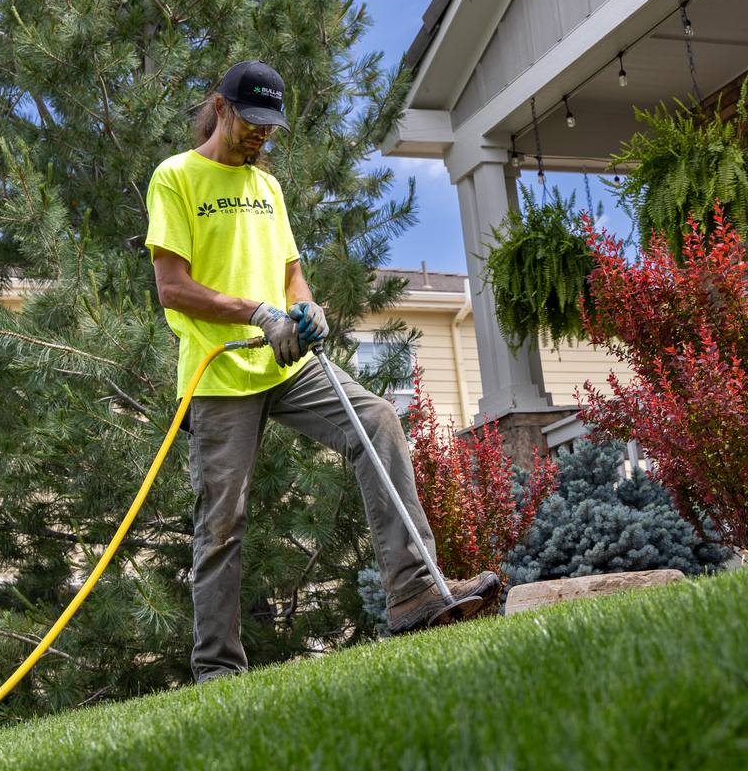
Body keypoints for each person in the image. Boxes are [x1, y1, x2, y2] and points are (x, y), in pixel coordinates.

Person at [144, 60, 500, 684]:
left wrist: (307, 310)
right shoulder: (176, 177)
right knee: (222, 523)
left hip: (286, 362)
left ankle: (414, 593)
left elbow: (291, 276)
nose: (261, 136)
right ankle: (216, 670)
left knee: (377, 419)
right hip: (219, 374)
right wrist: (257, 313)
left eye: (270, 127)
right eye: (251, 122)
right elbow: (172, 289)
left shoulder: (268, 189)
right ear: (221, 108)